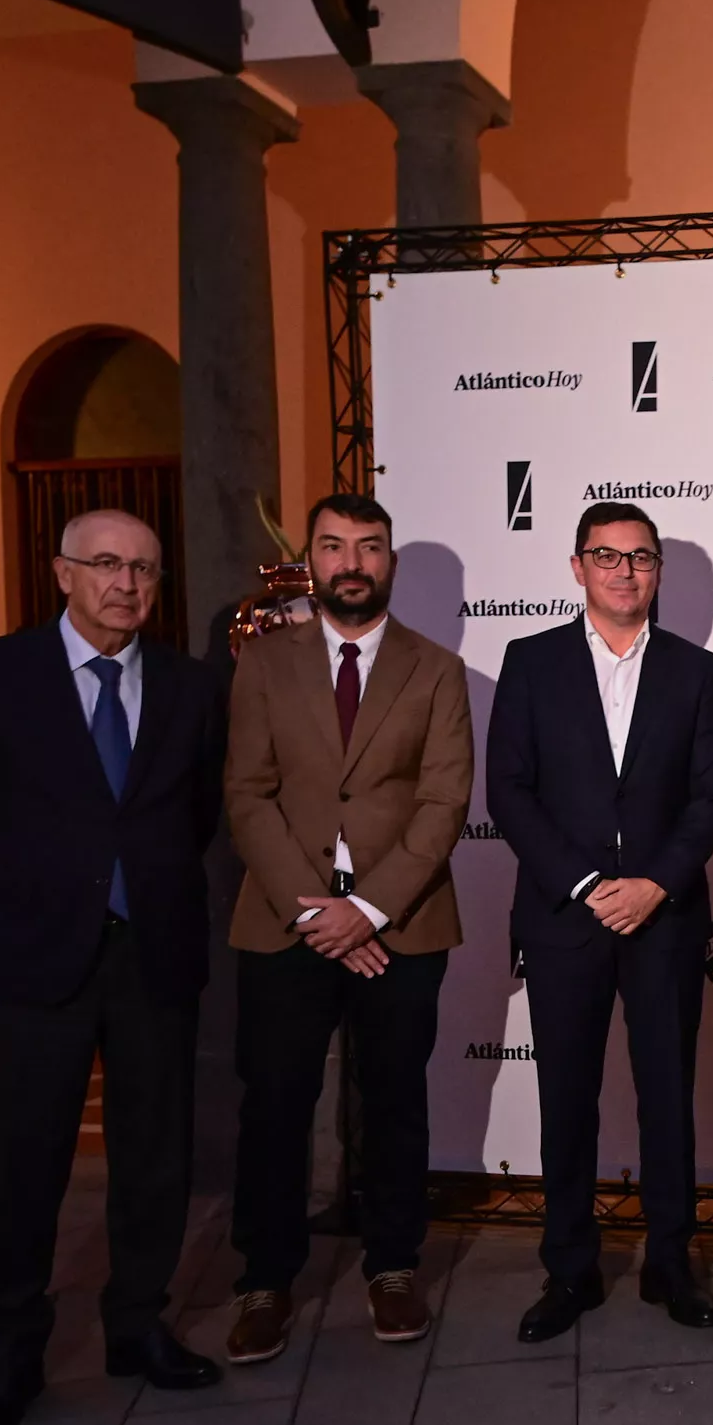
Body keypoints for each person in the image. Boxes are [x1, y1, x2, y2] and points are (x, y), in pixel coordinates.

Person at [0, 508, 225, 1425]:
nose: (126, 584)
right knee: (17, 1163)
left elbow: (197, 815)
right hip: (29, 958)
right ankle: (11, 1354)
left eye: (144, 568)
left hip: (153, 953)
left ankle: (137, 1325)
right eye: (105, 564)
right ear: (63, 574)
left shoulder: (189, 686)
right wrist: (43, 894)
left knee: (155, 1155)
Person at [219, 493, 473, 1360]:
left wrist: (365, 910)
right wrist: (314, 909)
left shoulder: (437, 669)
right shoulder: (264, 663)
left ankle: (393, 1266)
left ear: (389, 562)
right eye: (333, 546)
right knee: (275, 1105)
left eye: (369, 547)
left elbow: (443, 803)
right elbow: (246, 795)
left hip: (401, 926)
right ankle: (264, 1279)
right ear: (312, 561)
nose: (351, 563)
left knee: (394, 1102)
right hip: (283, 922)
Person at [489, 503, 713, 1340]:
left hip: (664, 919)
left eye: (640, 557)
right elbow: (508, 791)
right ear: (577, 567)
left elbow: (710, 798)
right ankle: (570, 1269)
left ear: (658, 571)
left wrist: (654, 885)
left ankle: (671, 1263)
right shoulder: (531, 661)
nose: (625, 571)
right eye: (607, 556)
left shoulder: (696, 671)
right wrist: (591, 883)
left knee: (668, 1096)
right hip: (566, 916)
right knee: (567, 1098)